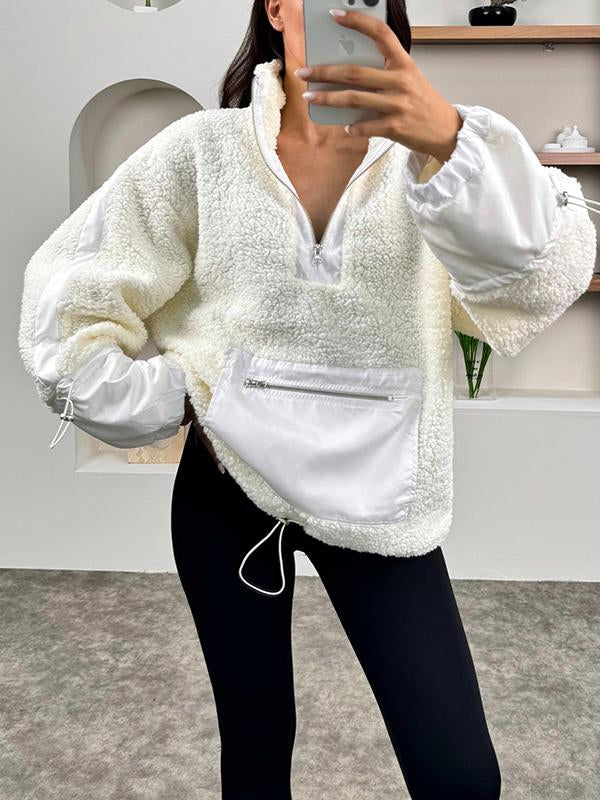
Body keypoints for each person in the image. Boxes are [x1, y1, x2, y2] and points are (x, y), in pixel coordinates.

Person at [18, 1, 596, 798]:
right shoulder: (204, 150)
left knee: (460, 776)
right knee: (255, 751)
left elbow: (540, 280)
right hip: (227, 487)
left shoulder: (437, 150)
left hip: (382, 493)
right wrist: (173, 394)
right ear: (277, 6)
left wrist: (452, 143)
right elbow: (74, 291)